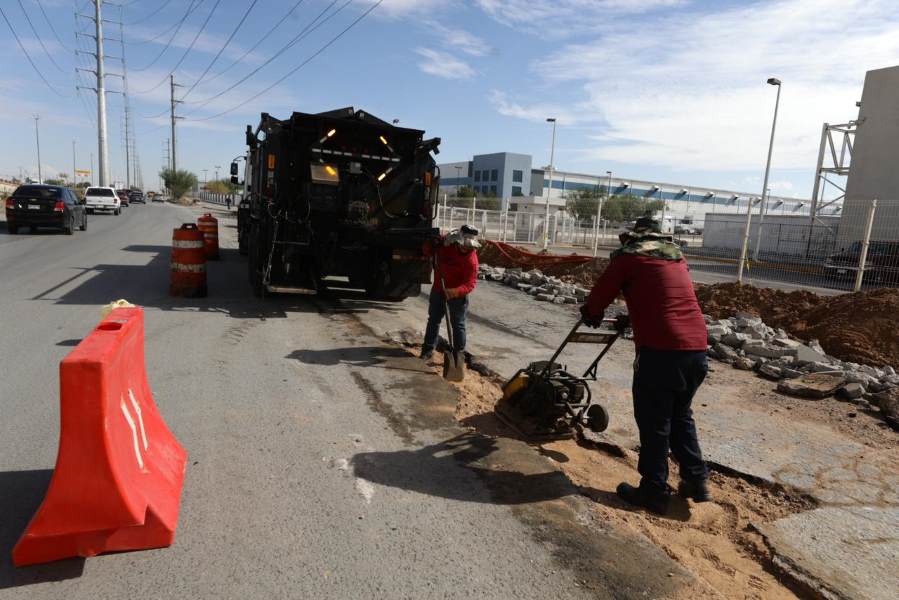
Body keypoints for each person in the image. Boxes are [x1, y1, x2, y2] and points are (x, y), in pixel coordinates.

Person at [580, 216, 710, 514]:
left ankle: (653, 490)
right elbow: (665, 300)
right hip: (697, 350)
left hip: (661, 352)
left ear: (634, 238)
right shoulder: (676, 257)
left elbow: (599, 298)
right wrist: (634, 319)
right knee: (680, 414)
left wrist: (591, 313)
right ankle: (696, 480)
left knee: (655, 421)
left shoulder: (629, 258)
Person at [421, 225, 480, 361]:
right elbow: (427, 252)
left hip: (457, 295)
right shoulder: (446, 244)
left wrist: (455, 291)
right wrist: (430, 244)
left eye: (469, 247)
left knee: (458, 324)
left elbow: (470, 284)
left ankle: (458, 355)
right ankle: (427, 350)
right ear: (458, 241)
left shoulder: (471, 261)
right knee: (433, 320)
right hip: (438, 289)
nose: (465, 249)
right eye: (463, 245)